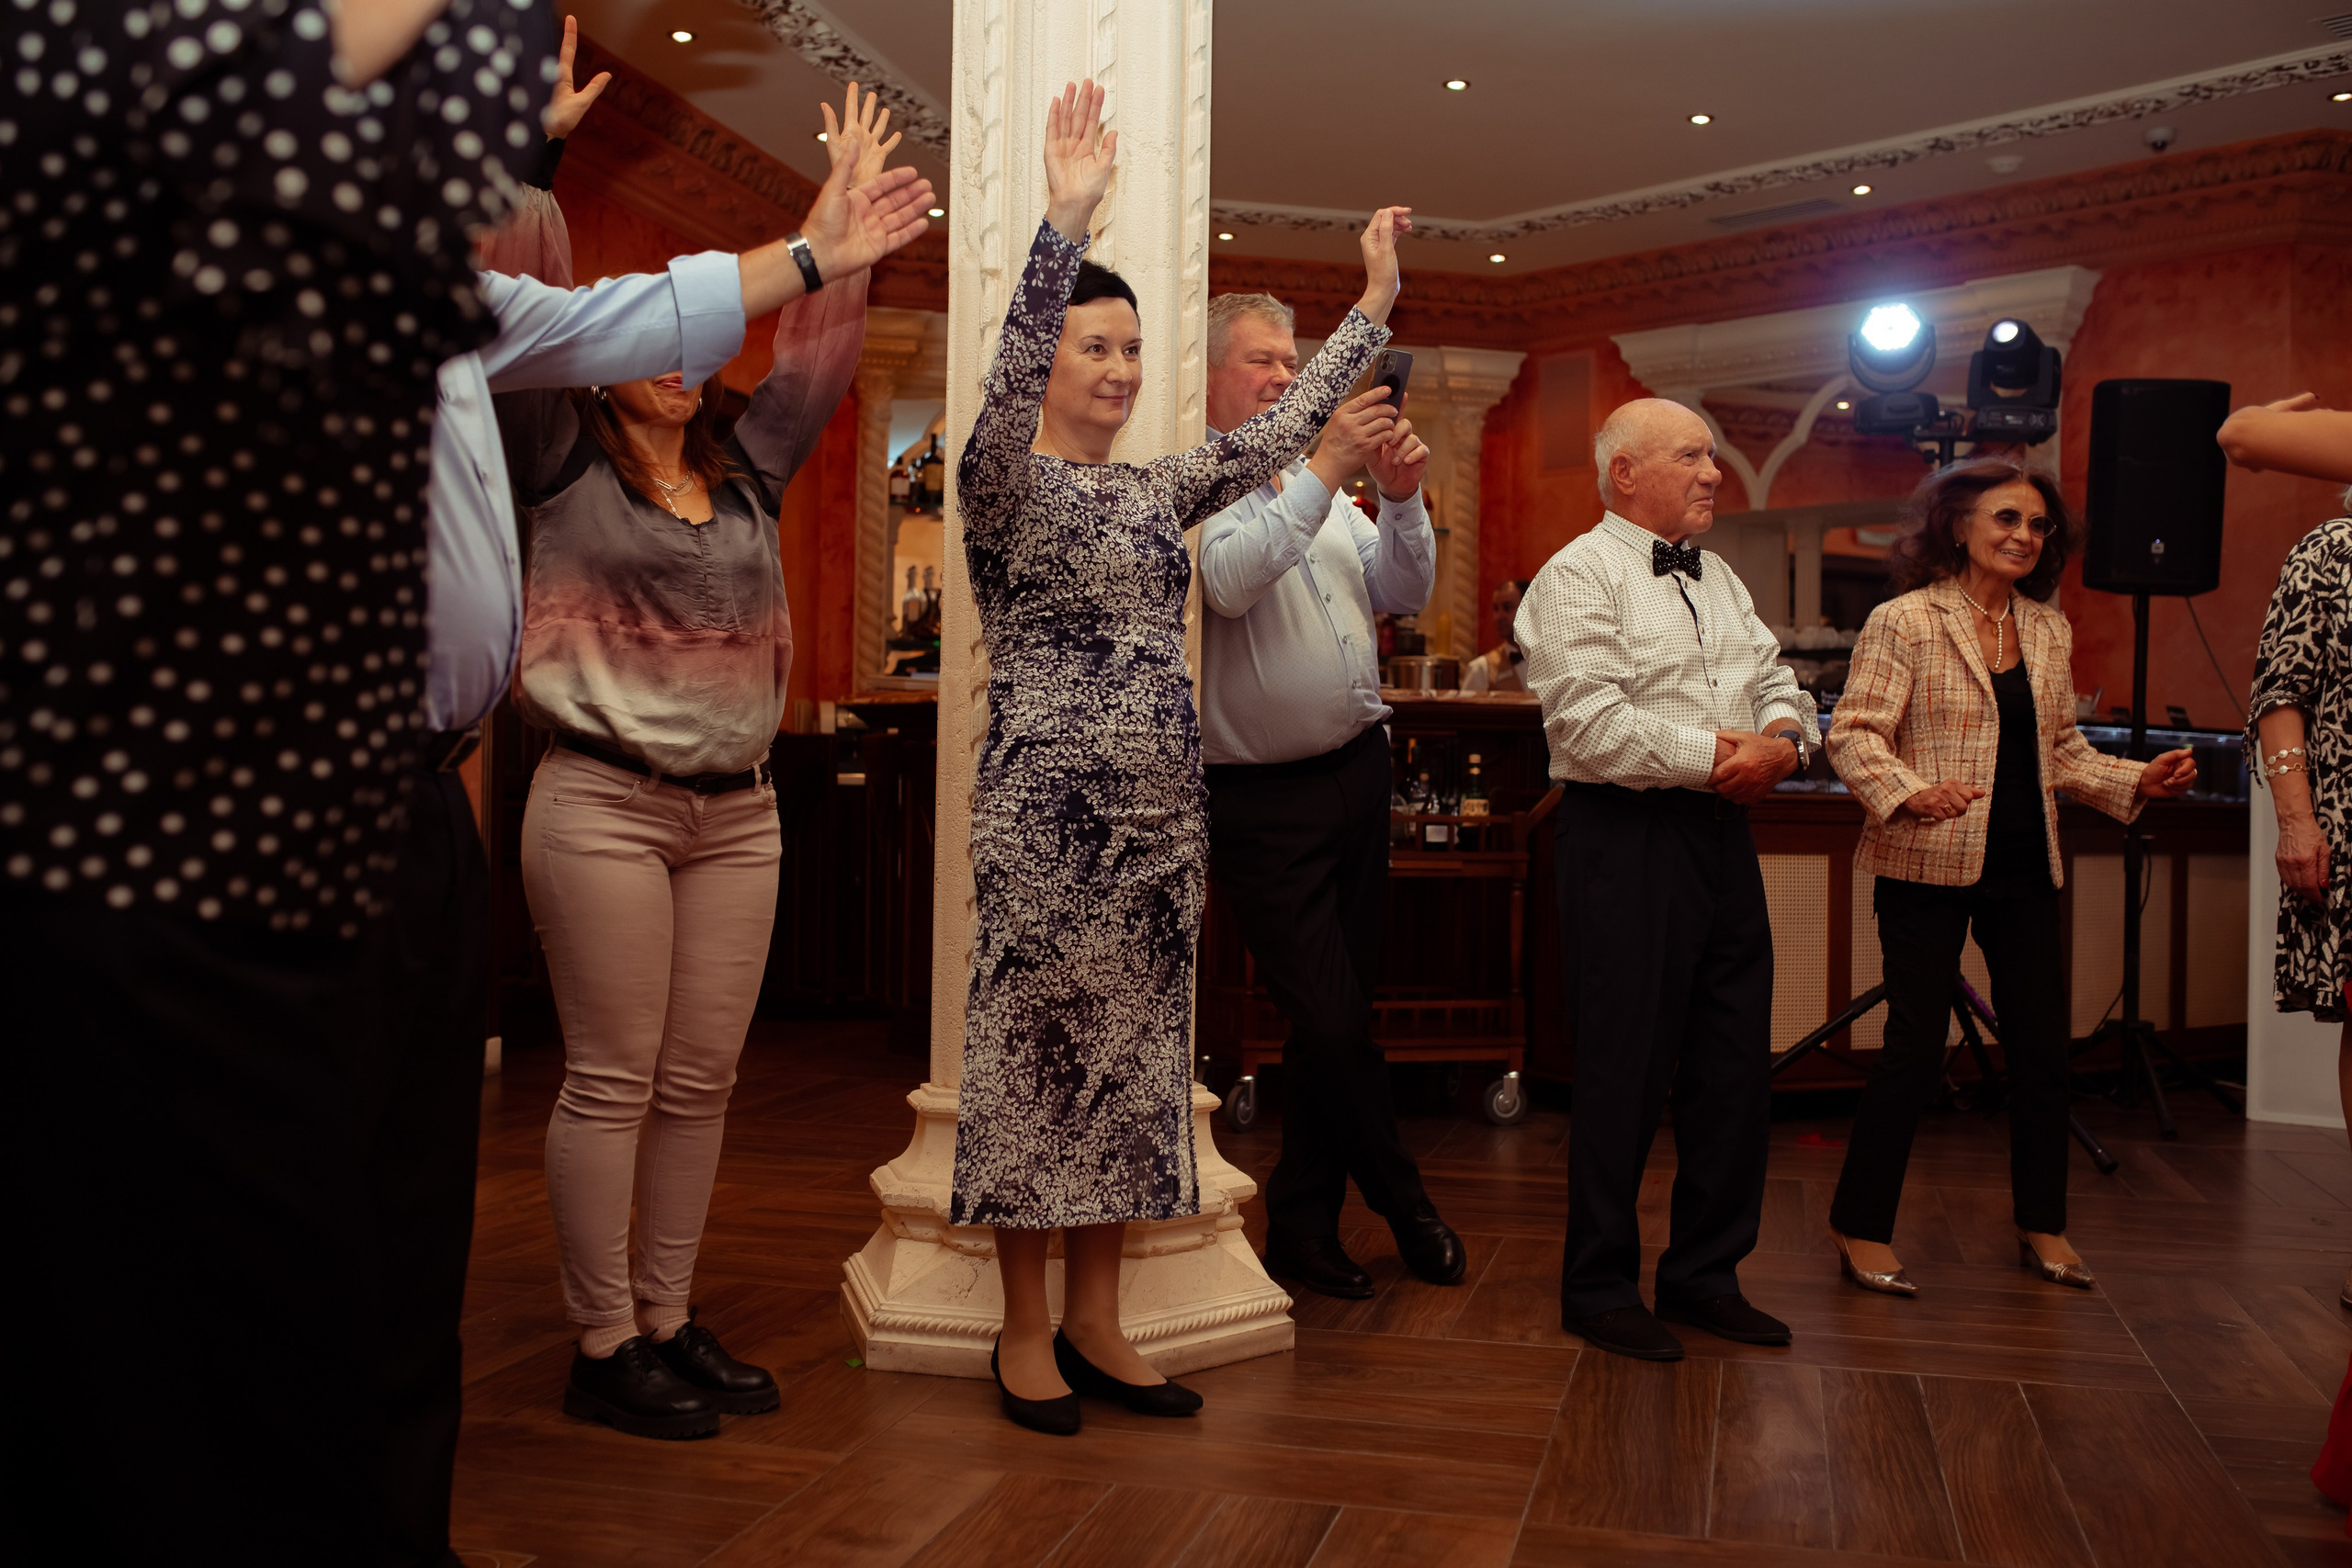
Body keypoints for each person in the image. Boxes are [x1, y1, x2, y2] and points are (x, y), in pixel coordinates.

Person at [3, 2, 552, 1559]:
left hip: (318, 842)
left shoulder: (354, 215)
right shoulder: (92, 107)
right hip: (116, 869)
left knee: (329, 1321)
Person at [952, 80, 1408, 1434]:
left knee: (1134, 1077)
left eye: (1133, 347)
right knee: (1033, 1070)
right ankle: (1024, 1329)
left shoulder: (1157, 490)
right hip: (1043, 829)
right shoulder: (1001, 485)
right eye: (1096, 345)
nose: (1120, 367)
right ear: (1049, 360)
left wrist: (1372, 301)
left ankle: (1099, 1319)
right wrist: (1066, 222)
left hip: (1161, 834)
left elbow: (1286, 430)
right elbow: (1003, 372)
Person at [487, 90, 929, 1442]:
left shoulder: (749, 467)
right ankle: (600, 1335)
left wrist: (835, 234)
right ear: (607, 352)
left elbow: (816, 359)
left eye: (697, 338)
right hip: (600, 801)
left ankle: (668, 1315)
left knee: (700, 1081)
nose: (683, 356)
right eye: (655, 333)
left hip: (740, 815)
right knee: (614, 1075)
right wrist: (526, 156)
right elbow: (512, 289)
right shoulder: (559, 454)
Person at [1823, 460, 2195, 1299]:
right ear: (1957, 526)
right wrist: (1911, 791)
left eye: (2037, 526)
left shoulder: (2048, 630)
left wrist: (2138, 780)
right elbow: (1854, 735)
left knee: (2040, 1054)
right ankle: (1861, 1221)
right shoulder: (1905, 621)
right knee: (1915, 1053)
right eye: (2006, 518)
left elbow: (2060, 752)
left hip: (2028, 864)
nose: (2025, 536)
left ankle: (2042, 1221)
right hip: (1927, 861)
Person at [1516, 398, 1819, 1362]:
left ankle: (1704, 1275)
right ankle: (1598, 1288)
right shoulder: (1576, 576)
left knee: (1733, 1064)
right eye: (1690, 456)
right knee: (1623, 1069)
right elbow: (1590, 729)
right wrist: (1717, 755)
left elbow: (1778, 681)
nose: (1711, 472)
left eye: (1711, 457)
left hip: (1720, 834)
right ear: (1624, 475)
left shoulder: (1721, 576)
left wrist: (1781, 741)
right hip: (1623, 835)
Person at [1193, 291, 1463, 1301]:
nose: (1284, 376)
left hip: (1358, 775)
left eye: (1291, 360)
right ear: (1210, 374)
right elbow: (1228, 583)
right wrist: (1325, 471)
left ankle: (1302, 1230)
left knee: (1333, 1027)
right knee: (1336, 1021)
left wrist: (1396, 499)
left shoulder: (1321, 486)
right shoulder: (1200, 482)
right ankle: (1406, 1201)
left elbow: (1399, 594)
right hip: (1261, 801)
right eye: (1261, 361)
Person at [1462, 580, 1533, 693]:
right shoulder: (1481, 669)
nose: (1498, 617)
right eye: (1496, 608)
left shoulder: (1556, 662)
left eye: (1507, 607)